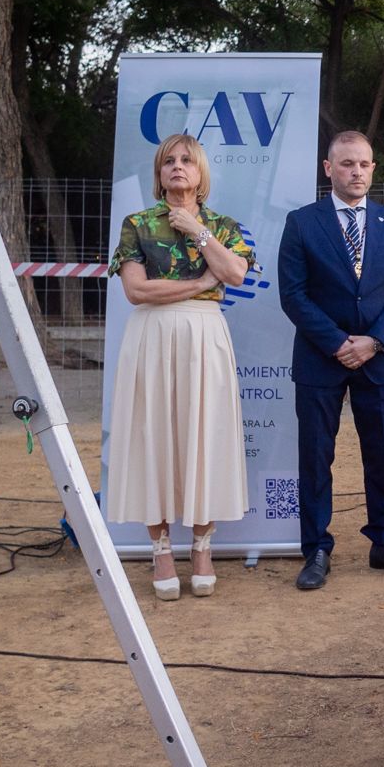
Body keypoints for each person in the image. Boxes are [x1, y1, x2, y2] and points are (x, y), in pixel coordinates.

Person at [106, 134, 252, 601]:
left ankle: (203, 548)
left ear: (201, 171)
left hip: (205, 337)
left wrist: (196, 231)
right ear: (158, 172)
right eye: (168, 160)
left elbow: (235, 274)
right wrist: (201, 282)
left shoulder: (222, 225)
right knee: (154, 437)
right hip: (151, 336)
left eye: (187, 160)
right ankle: (162, 549)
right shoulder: (137, 224)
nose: (177, 166)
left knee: (203, 435)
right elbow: (136, 291)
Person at [280, 131, 384, 591]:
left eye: (364, 164)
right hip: (321, 358)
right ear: (328, 169)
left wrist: (373, 342)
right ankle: (316, 548)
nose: (356, 172)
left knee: (380, 455)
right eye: (347, 164)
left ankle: (383, 541)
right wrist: (340, 343)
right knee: (316, 457)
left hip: (379, 359)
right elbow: (293, 295)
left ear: (373, 168)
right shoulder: (302, 222)